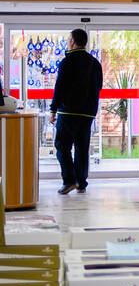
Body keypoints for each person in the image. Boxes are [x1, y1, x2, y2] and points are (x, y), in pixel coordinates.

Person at [49, 28, 103, 195]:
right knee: (81, 147)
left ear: (72, 41)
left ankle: (69, 180)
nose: (67, 42)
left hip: (69, 112)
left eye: (68, 39)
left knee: (62, 146)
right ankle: (81, 182)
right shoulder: (95, 63)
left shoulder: (67, 61)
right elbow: (99, 86)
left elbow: (60, 87)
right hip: (87, 113)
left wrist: (53, 109)